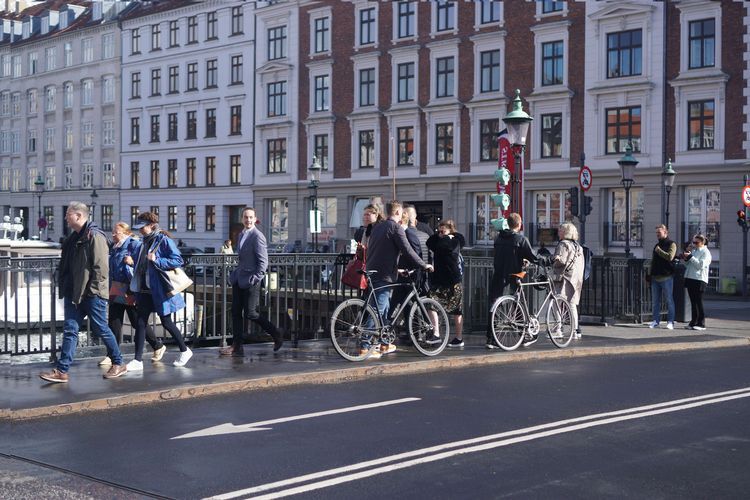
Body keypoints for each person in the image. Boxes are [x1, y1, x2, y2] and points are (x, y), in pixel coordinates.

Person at [39, 201, 127, 383]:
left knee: (101, 329)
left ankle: (118, 363)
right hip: (74, 293)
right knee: (70, 330)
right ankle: (62, 371)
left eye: (68, 214)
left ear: (78, 216)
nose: (65, 217)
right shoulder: (74, 237)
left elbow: (101, 269)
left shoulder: (95, 236)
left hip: (91, 294)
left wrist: (93, 291)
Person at [364, 201, 433, 358]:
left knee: (386, 309)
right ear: (396, 212)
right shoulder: (395, 228)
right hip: (383, 274)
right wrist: (423, 265)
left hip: (375, 270)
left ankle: (384, 344)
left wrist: (398, 269)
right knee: (379, 310)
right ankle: (365, 346)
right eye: (401, 212)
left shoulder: (378, 226)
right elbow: (407, 250)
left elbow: (382, 251)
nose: (403, 215)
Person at [130, 212, 193, 369]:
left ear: (151, 225)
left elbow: (178, 260)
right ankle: (137, 360)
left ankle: (185, 350)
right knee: (140, 322)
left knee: (166, 322)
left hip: (160, 289)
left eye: (142, 227)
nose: (140, 231)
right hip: (145, 288)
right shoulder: (143, 242)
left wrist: (157, 260)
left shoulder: (162, 240)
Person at [219, 207, 284, 357]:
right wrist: (233, 276)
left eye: (250, 217)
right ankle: (237, 346)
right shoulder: (241, 234)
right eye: (245, 217)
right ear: (242, 219)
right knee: (235, 312)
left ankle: (276, 333)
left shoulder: (257, 236)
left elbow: (263, 263)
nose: (248, 220)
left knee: (251, 313)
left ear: (255, 219)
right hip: (238, 279)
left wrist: (255, 278)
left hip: (250, 281)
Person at [101, 222, 165, 367]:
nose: (113, 234)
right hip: (116, 286)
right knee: (114, 322)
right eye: (113, 232)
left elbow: (143, 264)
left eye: (116, 232)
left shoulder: (133, 244)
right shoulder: (114, 247)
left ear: (125, 233)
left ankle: (158, 345)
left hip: (130, 287)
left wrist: (132, 262)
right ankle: (112, 355)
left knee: (136, 321)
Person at [487, 213, 547, 349]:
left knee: (495, 306)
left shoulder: (498, 238)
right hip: (513, 275)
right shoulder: (520, 239)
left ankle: (491, 338)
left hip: (498, 275)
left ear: (508, 224)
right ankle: (523, 334)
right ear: (519, 225)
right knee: (517, 303)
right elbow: (533, 257)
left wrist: (520, 258)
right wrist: (547, 260)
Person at [426, 219, 465, 347]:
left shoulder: (455, 240)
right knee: (431, 302)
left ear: (450, 229)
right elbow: (429, 242)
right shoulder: (438, 239)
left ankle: (459, 338)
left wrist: (448, 237)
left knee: (457, 311)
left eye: (444, 229)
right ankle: (436, 333)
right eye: (439, 229)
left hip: (453, 280)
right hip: (439, 279)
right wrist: (440, 235)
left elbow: (447, 247)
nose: (440, 232)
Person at [551, 222, 585, 340]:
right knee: (572, 304)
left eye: (560, 230)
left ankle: (558, 329)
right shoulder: (578, 247)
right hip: (576, 279)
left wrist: (553, 259)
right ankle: (576, 330)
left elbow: (561, 261)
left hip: (564, 278)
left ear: (565, 232)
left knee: (556, 302)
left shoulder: (563, 244)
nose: (558, 232)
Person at [389, 211, 424, 314]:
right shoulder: (402, 233)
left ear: (400, 222)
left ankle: (410, 328)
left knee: (408, 305)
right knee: (398, 303)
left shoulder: (409, 234)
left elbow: (414, 254)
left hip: (409, 275)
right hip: (402, 274)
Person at [648, 224, 676, 330]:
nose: (657, 235)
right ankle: (655, 321)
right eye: (656, 233)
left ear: (665, 232)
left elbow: (670, 257)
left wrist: (659, 251)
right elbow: (653, 261)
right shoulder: (657, 245)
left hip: (666, 277)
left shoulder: (671, 244)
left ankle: (670, 322)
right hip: (655, 277)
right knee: (655, 301)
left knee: (669, 300)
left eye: (659, 233)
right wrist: (650, 275)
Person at [682, 234, 712, 330]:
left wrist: (691, 257)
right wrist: (687, 256)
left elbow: (700, 265)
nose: (694, 244)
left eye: (696, 242)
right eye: (693, 242)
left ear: (702, 242)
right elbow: (688, 265)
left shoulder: (706, 252)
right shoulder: (694, 251)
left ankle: (701, 323)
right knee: (693, 302)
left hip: (699, 279)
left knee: (698, 301)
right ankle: (693, 322)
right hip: (690, 277)